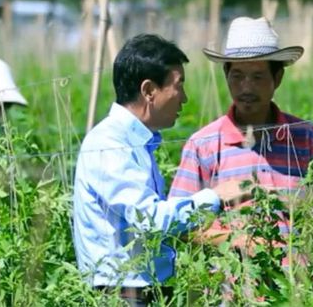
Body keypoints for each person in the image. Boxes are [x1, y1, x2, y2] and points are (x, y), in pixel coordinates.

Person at [72, 34, 252, 306]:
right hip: (121, 295)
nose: (185, 98)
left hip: (141, 292)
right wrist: (216, 196)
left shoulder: (136, 143)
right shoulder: (110, 144)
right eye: (178, 86)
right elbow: (151, 219)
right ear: (149, 91)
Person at [168, 17, 313, 247]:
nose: (246, 87)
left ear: (278, 78)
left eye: (258, 77)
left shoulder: (308, 140)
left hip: (300, 279)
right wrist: (241, 243)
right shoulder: (204, 145)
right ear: (226, 76)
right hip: (229, 280)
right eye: (238, 76)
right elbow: (179, 224)